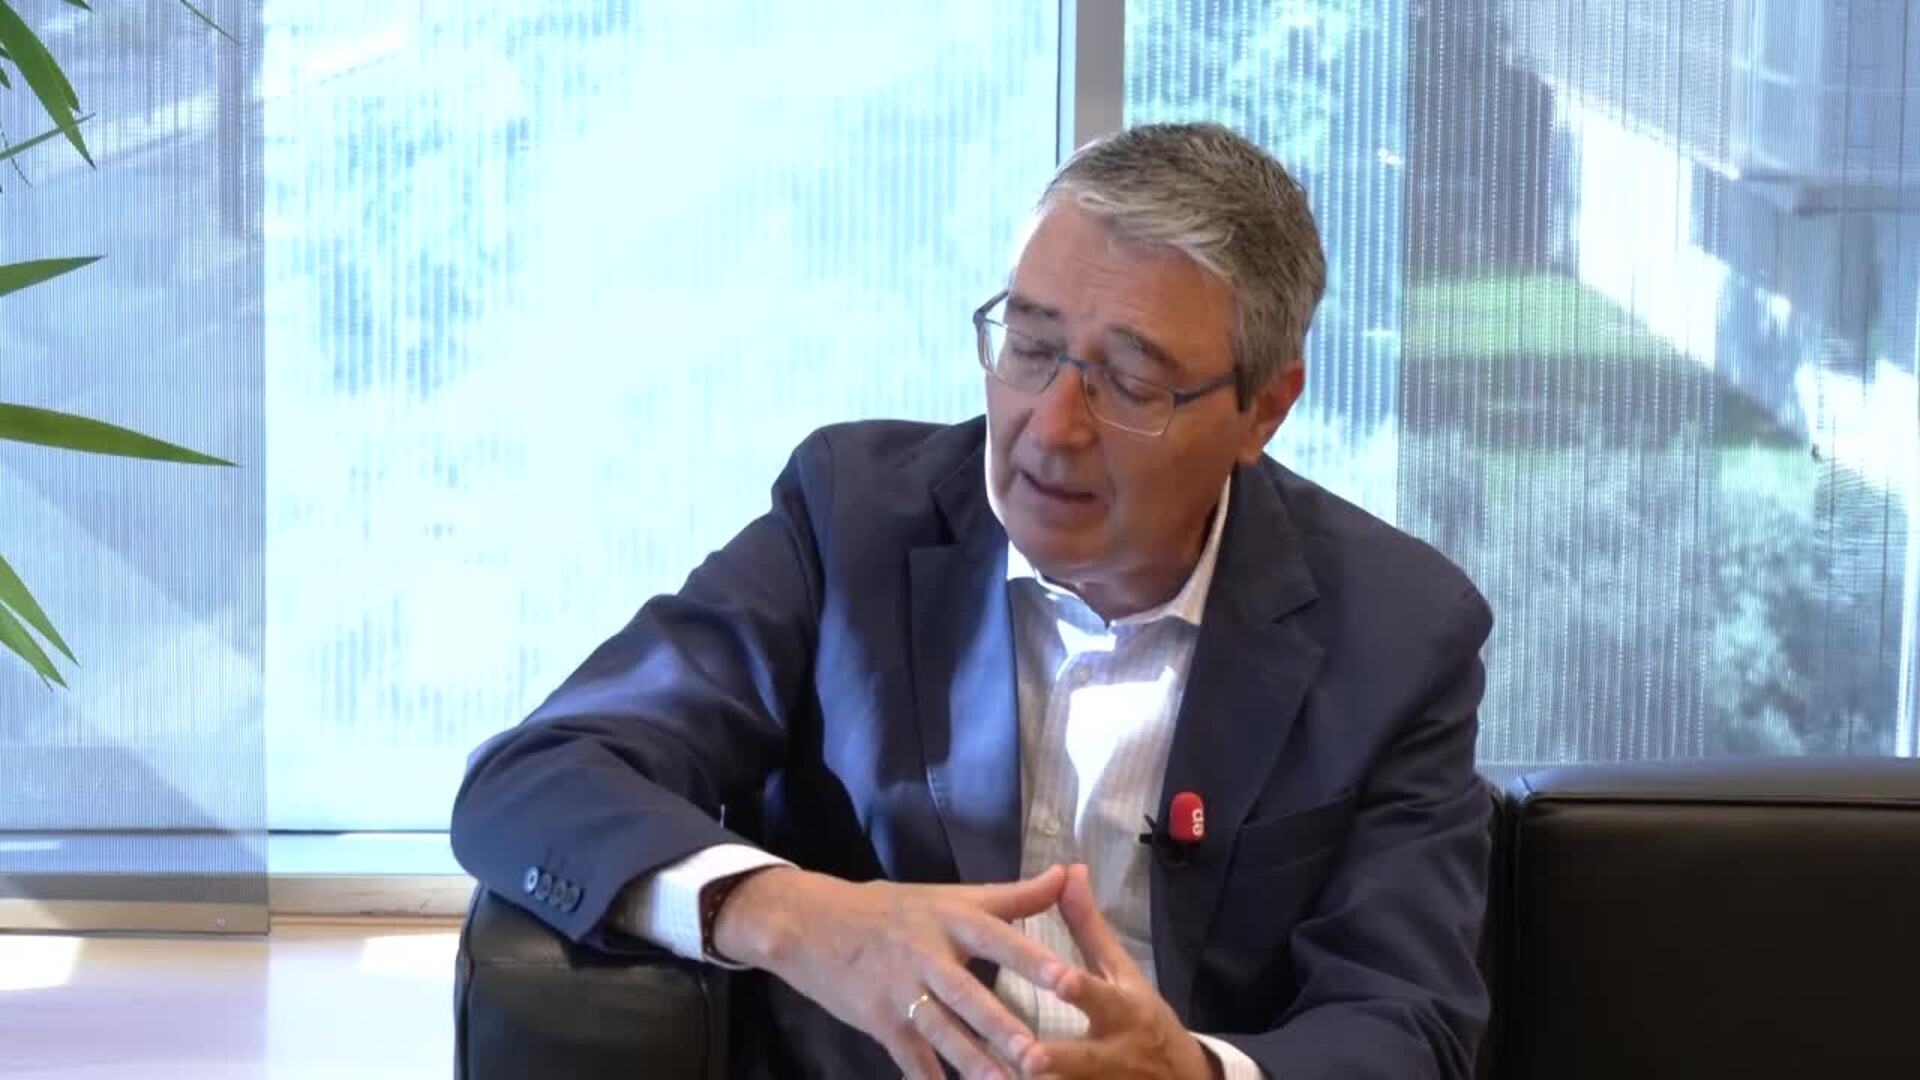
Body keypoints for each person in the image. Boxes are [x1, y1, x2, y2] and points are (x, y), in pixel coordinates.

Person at [451, 122, 1494, 1080]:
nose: (1052, 426)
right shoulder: (851, 522)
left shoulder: (1397, 632)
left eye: (1131, 384)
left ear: (1263, 408)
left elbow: (1409, 1026)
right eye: (1030, 347)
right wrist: (799, 917)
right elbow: (535, 778)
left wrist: (1197, 1075)